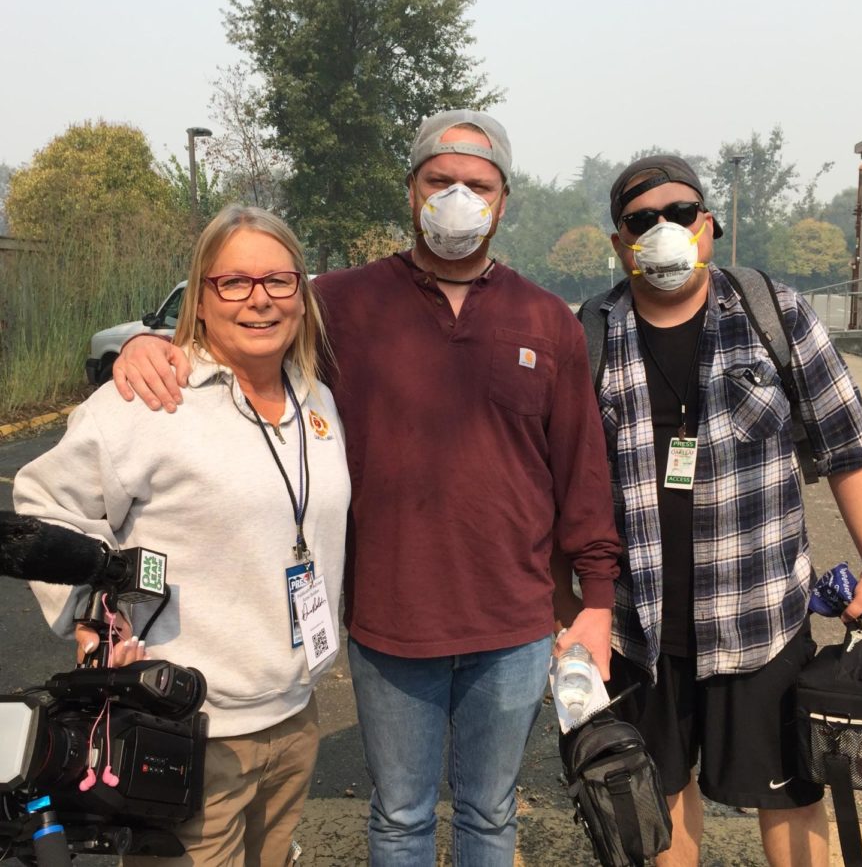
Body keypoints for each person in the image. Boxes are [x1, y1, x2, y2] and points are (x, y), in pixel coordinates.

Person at [109, 110, 621, 866]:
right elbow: (243, 331)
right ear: (411, 191)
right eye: (439, 180)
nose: (457, 198)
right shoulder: (339, 306)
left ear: (504, 199)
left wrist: (598, 602)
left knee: (490, 814)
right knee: (402, 815)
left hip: (513, 623)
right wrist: (155, 348)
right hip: (391, 619)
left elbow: (581, 469)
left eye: (476, 185)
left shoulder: (547, 321)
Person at [555, 155, 862, 867]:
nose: (664, 230)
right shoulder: (591, 335)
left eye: (680, 213)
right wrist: (569, 608)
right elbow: (562, 487)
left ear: (708, 224)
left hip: (760, 618)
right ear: (620, 244)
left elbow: (850, 443)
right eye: (641, 221)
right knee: (659, 800)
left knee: (792, 795)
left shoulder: (771, 312)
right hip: (641, 630)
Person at [14, 205, 351, 866]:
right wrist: (94, 616)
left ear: (302, 294)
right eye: (235, 282)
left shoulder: (316, 397)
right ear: (201, 295)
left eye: (279, 281)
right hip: (187, 727)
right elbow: (45, 500)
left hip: (292, 714)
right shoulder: (151, 397)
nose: (260, 300)